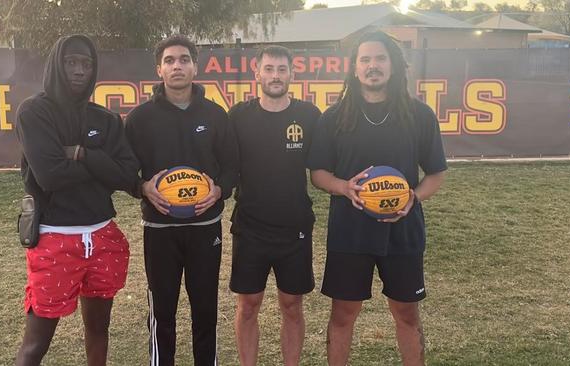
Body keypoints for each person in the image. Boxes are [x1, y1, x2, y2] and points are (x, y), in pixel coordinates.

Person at [307, 30, 447, 366]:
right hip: (349, 232)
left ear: (395, 66)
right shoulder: (335, 117)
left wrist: (413, 197)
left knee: (407, 313)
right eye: (365, 59)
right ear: (354, 68)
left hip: (403, 231)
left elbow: (436, 173)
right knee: (343, 314)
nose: (373, 66)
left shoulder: (419, 115)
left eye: (380, 58)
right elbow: (318, 173)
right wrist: (344, 188)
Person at [14, 34, 139, 366]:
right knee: (36, 343)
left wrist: (82, 155)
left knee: (99, 329)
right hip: (55, 239)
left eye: (86, 64)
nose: (79, 70)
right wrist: (104, 166)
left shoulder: (106, 119)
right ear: (57, 63)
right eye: (71, 62)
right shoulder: (34, 112)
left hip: (102, 237)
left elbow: (128, 175)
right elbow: (50, 176)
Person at [124, 34, 238, 366]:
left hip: (206, 227)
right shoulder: (140, 118)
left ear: (195, 67)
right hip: (159, 228)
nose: (178, 66)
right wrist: (143, 187)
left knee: (205, 308)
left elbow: (232, 167)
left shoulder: (216, 115)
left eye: (184, 59)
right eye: (170, 60)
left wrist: (219, 190)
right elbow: (125, 168)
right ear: (159, 69)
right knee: (162, 309)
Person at [228, 45, 321, 366]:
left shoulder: (309, 116)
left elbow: (324, 167)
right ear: (257, 73)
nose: (275, 76)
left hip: (294, 227)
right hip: (250, 227)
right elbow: (222, 165)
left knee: (292, 304)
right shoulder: (238, 116)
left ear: (292, 74)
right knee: (249, 304)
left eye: (282, 69)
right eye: (269, 69)